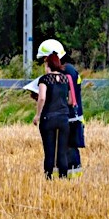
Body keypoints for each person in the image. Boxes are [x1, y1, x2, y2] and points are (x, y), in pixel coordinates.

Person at [36, 39, 85, 178]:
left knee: (66, 148)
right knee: (64, 148)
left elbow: (68, 98)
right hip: (68, 115)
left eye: (45, 59)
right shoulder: (68, 71)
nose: (44, 62)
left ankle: (68, 177)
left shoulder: (66, 72)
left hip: (67, 115)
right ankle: (65, 178)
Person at [33, 53, 73, 179]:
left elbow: (42, 98)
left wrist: (37, 115)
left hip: (48, 118)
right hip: (63, 118)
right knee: (62, 152)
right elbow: (71, 101)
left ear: (48, 64)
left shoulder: (44, 79)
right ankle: (63, 178)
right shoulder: (66, 79)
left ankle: (48, 178)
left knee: (49, 152)